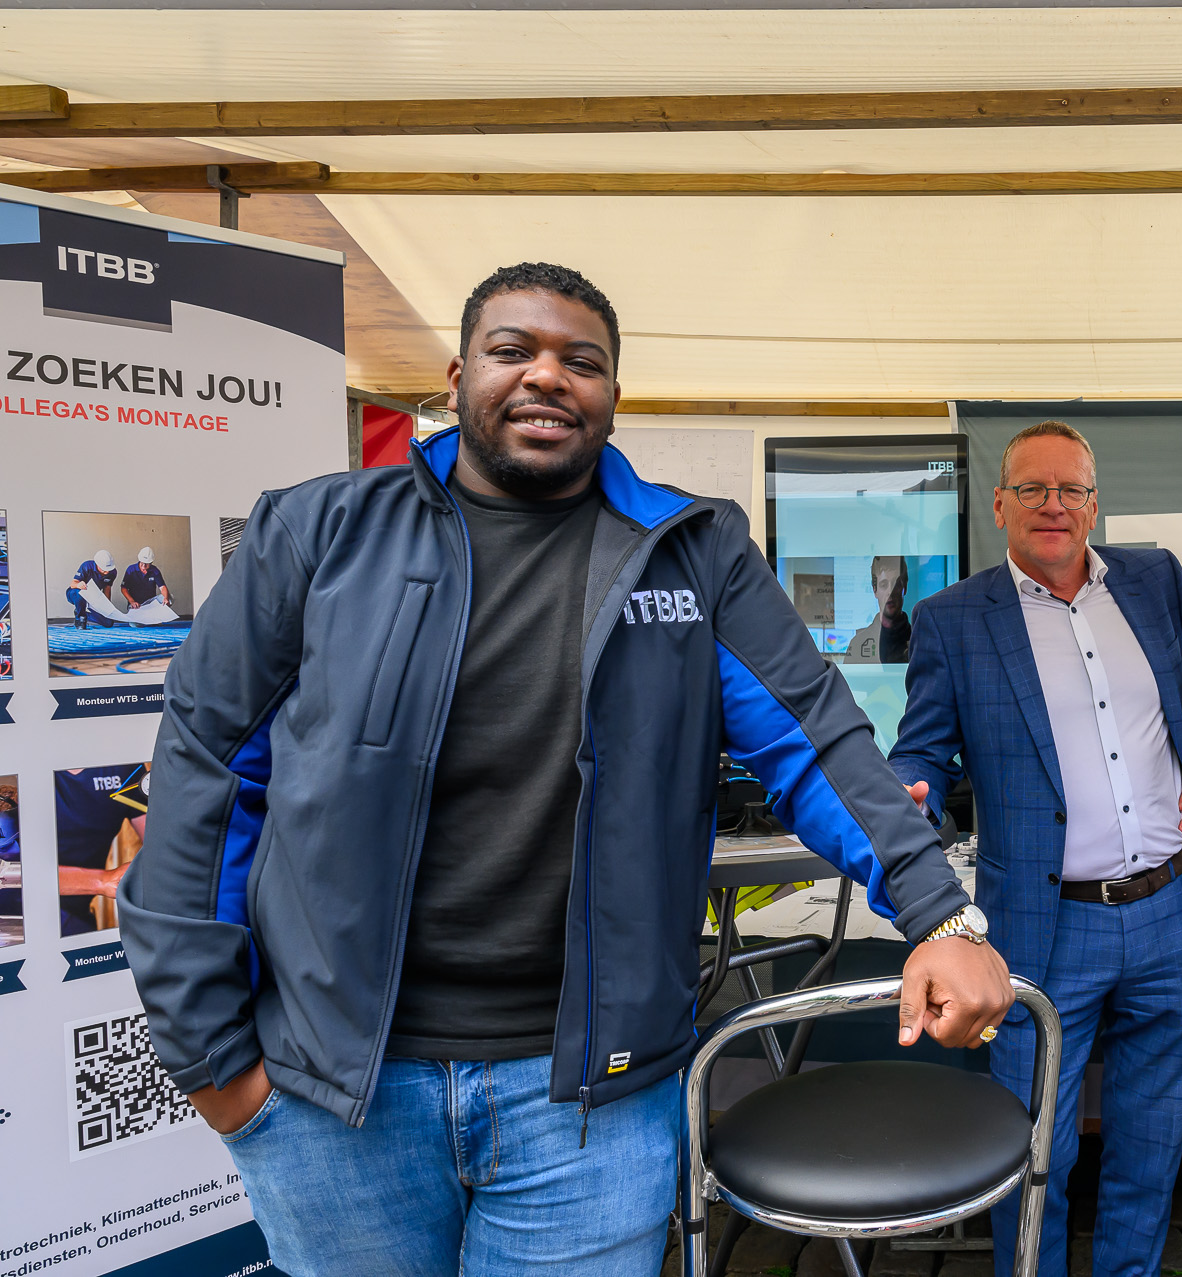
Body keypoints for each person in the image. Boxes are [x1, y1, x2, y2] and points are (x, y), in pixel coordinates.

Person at [121, 262, 1011, 1277]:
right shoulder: (317, 533)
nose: (547, 376)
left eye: (580, 362)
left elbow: (818, 741)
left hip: (590, 1105)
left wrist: (939, 913)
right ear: (458, 377)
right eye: (514, 351)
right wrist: (211, 1060)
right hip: (335, 1095)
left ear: (612, 396)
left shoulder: (693, 548)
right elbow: (203, 773)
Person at [890, 420, 1182, 1277]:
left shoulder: (1154, 580)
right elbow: (921, 750)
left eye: (1072, 490)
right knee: (1032, 1160)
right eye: (1034, 488)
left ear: (1094, 503)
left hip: (1172, 913)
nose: (1054, 505)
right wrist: (911, 790)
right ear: (1001, 502)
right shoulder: (951, 621)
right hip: (1041, 930)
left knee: (1152, 1147)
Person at [55, 762, 148, 935]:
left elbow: (161, 843)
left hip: (75, 914)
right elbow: (12, 871)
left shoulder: (124, 768)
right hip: (14, 908)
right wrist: (103, 880)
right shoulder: (19, 762)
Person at [845, 554, 912, 664]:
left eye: (896, 584)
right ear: (874, 590)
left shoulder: (919, 641)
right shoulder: (858, 644)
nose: (890, 591)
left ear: (904, 587)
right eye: (884, 585)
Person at [67, 549, 118, 627]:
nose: (107, 572)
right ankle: (80, 619)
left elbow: (107, 589)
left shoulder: (113, 572)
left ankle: (81, 612)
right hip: (76, 594)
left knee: (108, 623)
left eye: (108, 569)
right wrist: (79, 585)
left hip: (93, 599)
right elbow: (73, 583)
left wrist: (106, 606)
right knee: (79, 593)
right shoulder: (86, 566)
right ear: (97, 564)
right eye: (104, 569)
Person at [122, 545, 174, 614]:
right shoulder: (131, 570)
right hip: (136, 604)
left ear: (151, 562)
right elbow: (123, 588)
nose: (143, 566)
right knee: (135, 625)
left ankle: (154, 615)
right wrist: (132, 601)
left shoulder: (155, 571)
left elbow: (162, 587)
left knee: (170, 598)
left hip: (151, 603)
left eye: (146, 564)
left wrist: (166, 598)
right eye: (142, 563)